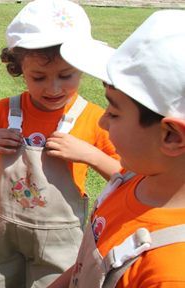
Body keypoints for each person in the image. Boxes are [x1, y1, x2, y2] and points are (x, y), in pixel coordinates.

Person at [0, 0, 121, 287]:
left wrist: (91, 155)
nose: (53, 88)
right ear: (18, 68)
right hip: (3, 234)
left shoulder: (93, 118)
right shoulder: (5, 111)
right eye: (38, 77)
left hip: (58, 241)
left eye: (66, 76)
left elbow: (127, 177)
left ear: (83, 69)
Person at [48, 9, 185, 288]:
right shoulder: (134, 179)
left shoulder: (169, 272)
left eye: (114, 111)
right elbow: (84, 267)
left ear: (171, 136)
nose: (102, 120)